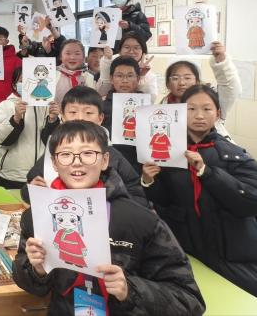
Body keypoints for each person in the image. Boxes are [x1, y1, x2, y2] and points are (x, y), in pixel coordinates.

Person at [13, 121, 205, 315]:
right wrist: (37, 270)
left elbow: (189, 300)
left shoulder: (140, 221)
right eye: (65, 154)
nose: (76, 162)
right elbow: (30, 285)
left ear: (105, 160)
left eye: (88, 153)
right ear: (54, 163)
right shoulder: (38, 216)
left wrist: (130, 290)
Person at [141, 84, 257, 296]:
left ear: (218, 113)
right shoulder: (170, 153)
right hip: (189, 250)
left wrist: (207, 172)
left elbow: (250, 202)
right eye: (191, 109)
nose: (199, 115)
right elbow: (166, 201)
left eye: (207, 108)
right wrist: (149, 181)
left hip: (231, 253)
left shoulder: (233, 154)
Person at [21, 86, 148, 207]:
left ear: (100, 118)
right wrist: (32, 190)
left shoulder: (111, 154)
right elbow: (30, 185)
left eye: (88, 112)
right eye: (73, 112)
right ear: (63, 116)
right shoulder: (56, 152)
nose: (80, 118)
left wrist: (113, 206)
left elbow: (136, 192)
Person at [161, 41, 241, 140]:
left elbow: (230, 88)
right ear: (168, 84)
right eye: (175, 78)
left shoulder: (211, 98)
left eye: (187, 78)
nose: (182, 83)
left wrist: (222, 62)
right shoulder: (164, 105)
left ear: (197, 81)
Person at [0, 68, 51, 188]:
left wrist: (54, 120)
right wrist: (16, 118)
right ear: (14, 85)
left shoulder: (47, 107)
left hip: (42, 174)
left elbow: (54, 140)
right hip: (13, 174)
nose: (26, 84)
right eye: (21, 81)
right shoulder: (4, 106)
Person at [100, 56, 147, 172]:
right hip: (109, 165)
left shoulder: (147, 106)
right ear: (111, 79)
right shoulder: (101, 106)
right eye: (119, 76)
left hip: (139, 166)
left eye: (130, 76)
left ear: (138, 78)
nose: (125, 81)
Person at [97, 32, 157, 102]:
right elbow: (101, 92)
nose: (131, 51)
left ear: (143, 51)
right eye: (127, 47)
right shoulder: (109, 61)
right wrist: (107, 62)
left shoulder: (148, 73)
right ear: (120, 50)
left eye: (136, 48)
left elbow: (150, 100)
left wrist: (141, 76)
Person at [54, 39, 96, 104]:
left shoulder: (88, 77)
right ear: (61, 57)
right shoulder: (53, 75)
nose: (72, 57)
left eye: (77, 54)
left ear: (83, 58)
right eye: (68, 53)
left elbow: (93, 101)